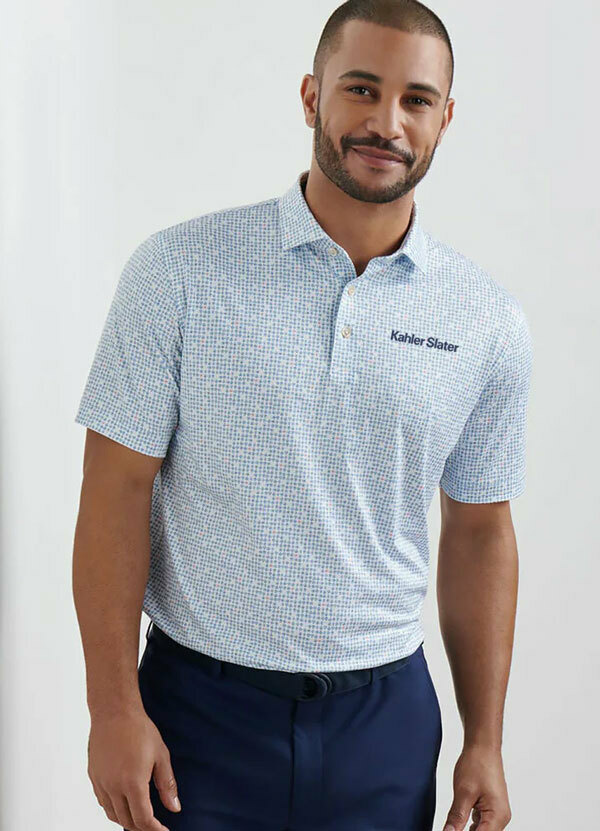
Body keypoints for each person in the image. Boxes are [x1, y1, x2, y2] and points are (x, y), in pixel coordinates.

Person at [72, 1, 533, 830]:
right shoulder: (180, 272)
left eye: (416, 99)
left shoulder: (486, 320)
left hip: (385, 725)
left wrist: (486, 739)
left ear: (445, 119)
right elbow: (115, 490)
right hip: (196, 715)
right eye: (361, 89)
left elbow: (480, 532)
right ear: (312, 95)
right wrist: (112, 708)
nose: (386, 122)